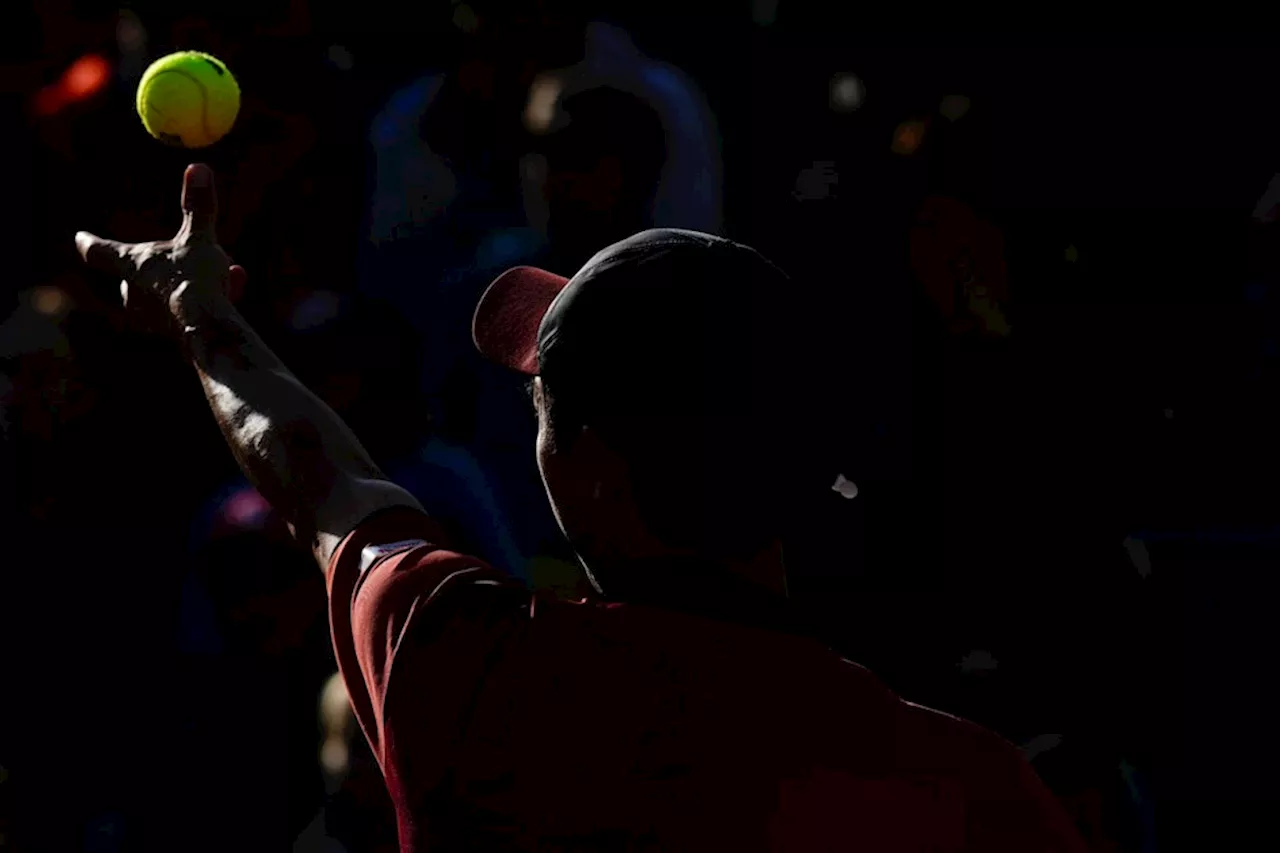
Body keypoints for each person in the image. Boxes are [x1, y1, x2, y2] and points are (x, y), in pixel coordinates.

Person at [76, 164, 1087, 851]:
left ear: (590, 471)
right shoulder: (972, 790)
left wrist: (195, 307)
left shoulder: (464, 664)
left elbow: (308, 471)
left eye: (540, 406)